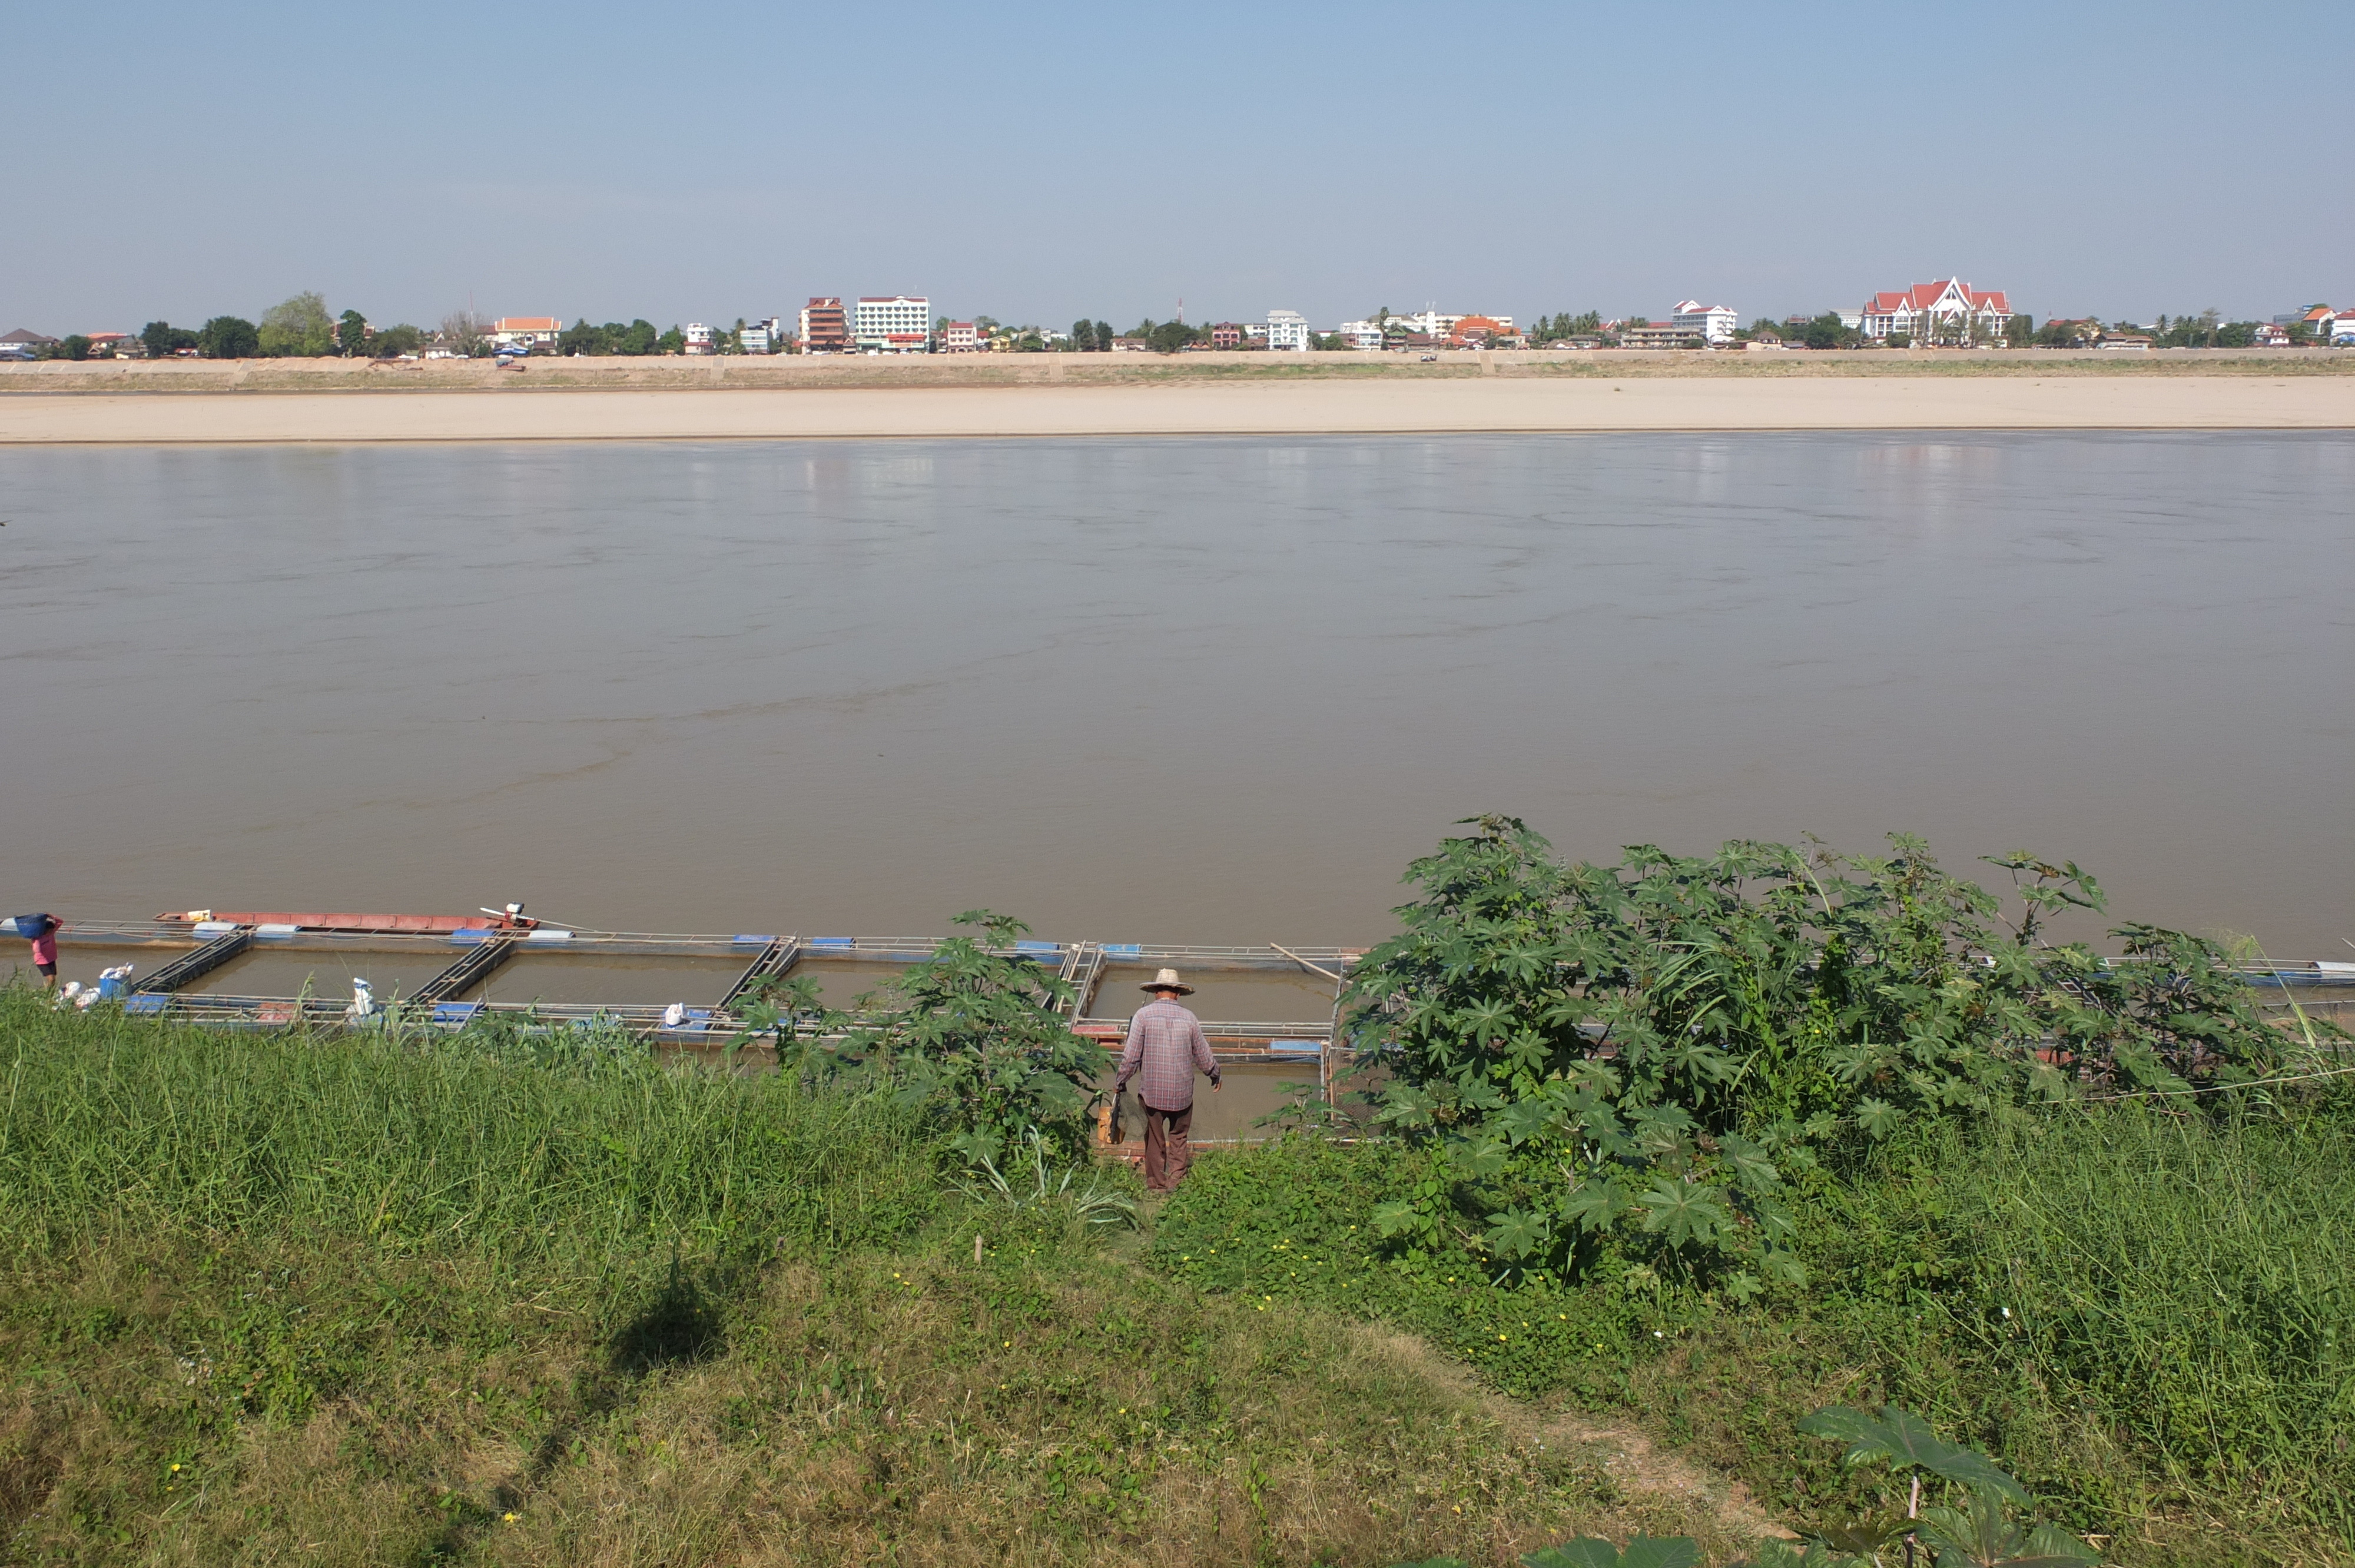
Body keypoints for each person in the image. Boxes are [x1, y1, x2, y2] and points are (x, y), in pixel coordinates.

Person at [1113, 968, 1220, 1193]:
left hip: (1152, 1094)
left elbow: (1131, 1058)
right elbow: (1204, 1055)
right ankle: (1177, 1181)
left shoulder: (1143, 1016)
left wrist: (1120, 1082)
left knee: (1154, 1139)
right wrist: (1214, 1075)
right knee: (1179, 1136)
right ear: (1178, 994)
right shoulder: (1190, 1018)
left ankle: (1158, 1185)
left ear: (1155, 993)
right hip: (1182, 1094)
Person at [16, 913, 59, 990]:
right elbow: (37, 951)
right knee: (51, 979)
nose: (50, 933)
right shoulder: (37, 939)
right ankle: (47, 994)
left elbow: (60, 922)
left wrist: (50, 916)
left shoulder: (51, 934)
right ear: (44, 930)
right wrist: (37, 943)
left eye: (51, 931)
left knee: (53, 980)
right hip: (42, 961)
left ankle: (50, 994)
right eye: (49, 931)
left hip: (51, 959)